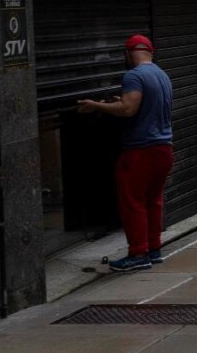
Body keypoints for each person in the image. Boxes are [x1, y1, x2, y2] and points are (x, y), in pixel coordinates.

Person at [77, 34, 173, 272]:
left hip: (141, 150)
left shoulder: (134, 75)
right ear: (151, 52)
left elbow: (129, 108)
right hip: (164, 148)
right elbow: (143, 105)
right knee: (153, 200)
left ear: (128, 53)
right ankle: (153, 249)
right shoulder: (162, 75)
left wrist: (96, 105)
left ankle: (138, 254)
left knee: (133, 202)